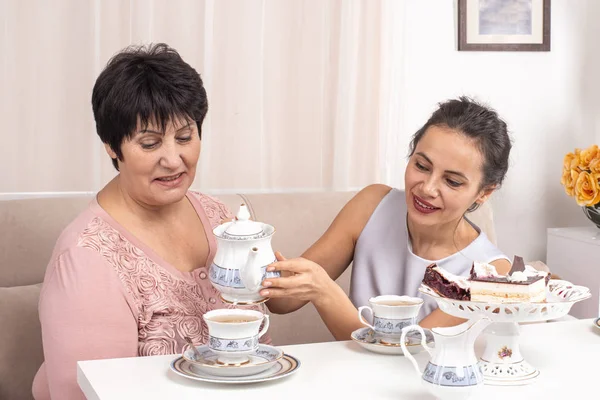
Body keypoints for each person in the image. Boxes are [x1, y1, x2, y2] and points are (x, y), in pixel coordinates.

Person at [32, 43, 266, 400]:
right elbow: (89, 392)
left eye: (185, 137)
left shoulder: (221, 217)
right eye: (150, 143)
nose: (173, 160)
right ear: (112, 146)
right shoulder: (87, 259)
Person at [261, 97, 512, 340]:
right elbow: (282, 302)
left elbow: (403, 357)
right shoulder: (373, 205)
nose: (427, 188)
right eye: (422, 166)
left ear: (484, 192)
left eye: (452, 181)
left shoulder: (491, 274)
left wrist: (324, 292)